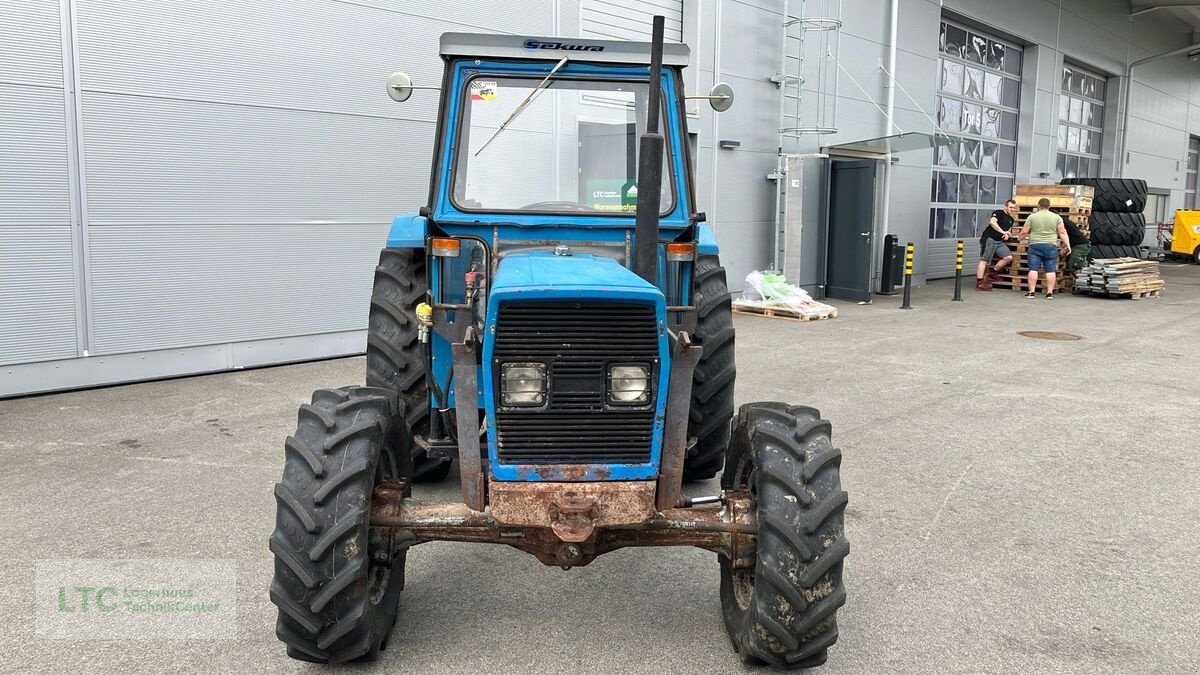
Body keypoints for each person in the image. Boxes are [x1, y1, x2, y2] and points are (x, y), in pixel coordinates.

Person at [1015, 198, 1072, 299]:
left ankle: (1031, 292)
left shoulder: (1032, 217)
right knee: (1050, 270)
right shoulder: (1056, 217)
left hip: (1035, 245)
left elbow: (1024, 231)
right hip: (1050, 246)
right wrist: (1068, 245)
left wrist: (1019, 238)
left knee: (1033, 269)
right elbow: (1062, 232)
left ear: (1038, 206)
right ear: (1049, 206)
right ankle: (1049, 293)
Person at [976, 199, 1017, 291]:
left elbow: (1008, 230)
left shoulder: (1011, 219)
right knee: (984, 260)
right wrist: (1003, 231)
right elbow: (992, 222)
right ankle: (979, 283)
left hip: (999, 242)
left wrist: (1007, 234)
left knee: (1008, 257)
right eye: (1010, 207)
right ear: (1005, 207)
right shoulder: (998, 213)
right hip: (989, 239)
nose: (1012, 209)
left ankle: (992, 274)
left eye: (1014, 208)